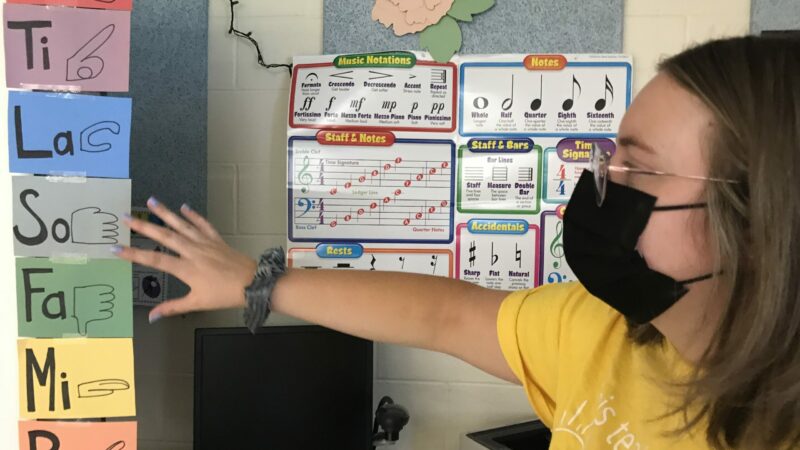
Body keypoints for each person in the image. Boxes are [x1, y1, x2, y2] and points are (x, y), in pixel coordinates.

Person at [113, 36, 800, 449]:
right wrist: (254, 283)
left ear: (762, 217)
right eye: (608, 161)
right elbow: (445, 313)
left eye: (639, 170)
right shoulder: (604, 332)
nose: (602, 188)